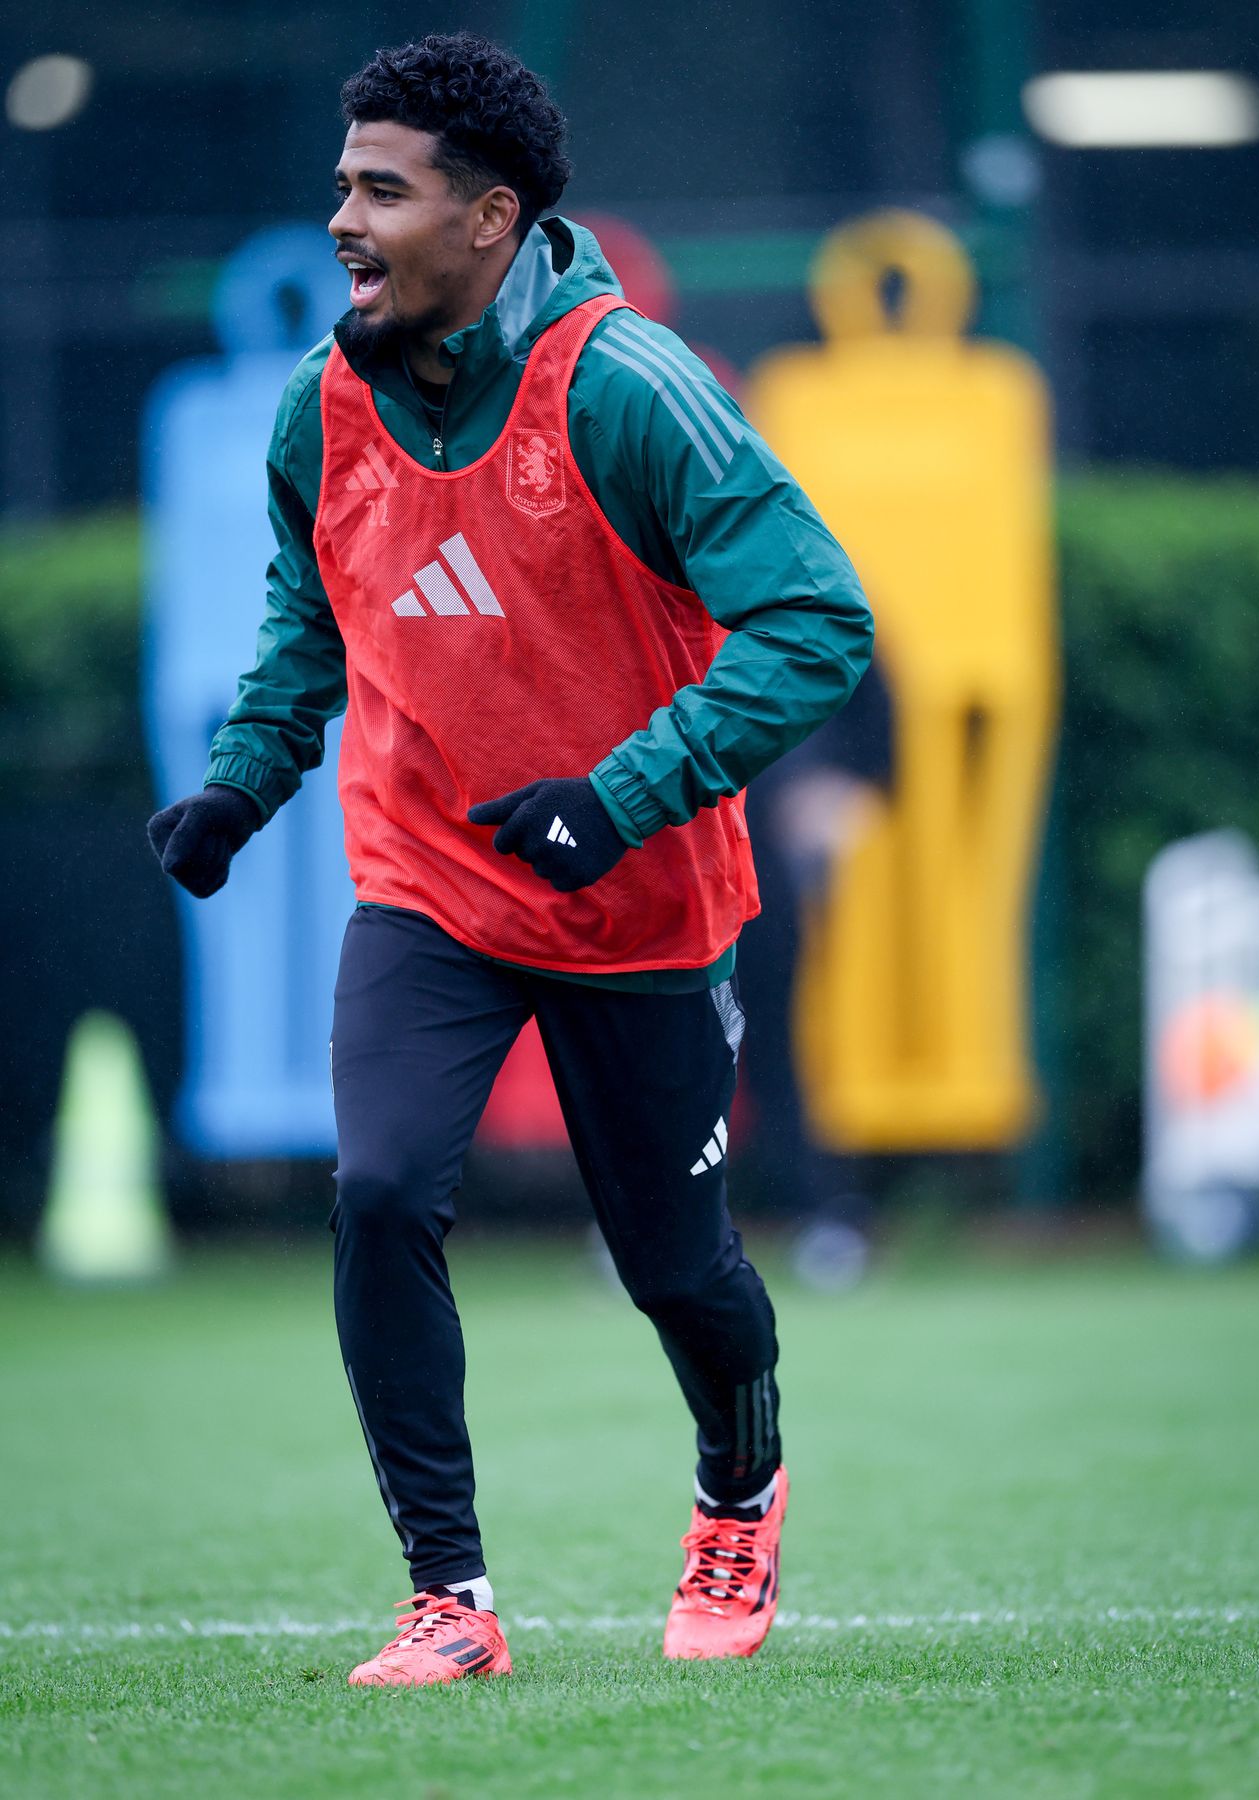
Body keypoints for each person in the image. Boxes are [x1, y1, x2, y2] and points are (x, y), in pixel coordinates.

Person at [147, 32, 872, 1686]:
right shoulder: (317, 402)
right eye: (340, 181)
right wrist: (243, 784)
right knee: (385, 1188)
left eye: (378, 190)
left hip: (637, 901)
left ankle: (736, 1496)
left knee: (675, 1269)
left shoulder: (630, 386)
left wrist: (618, 798)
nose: (342, 217)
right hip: (426, 888)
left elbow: (816, 621)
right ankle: (446, 1592)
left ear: (488, 220)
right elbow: (305, 623)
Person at [738, 655, 895, 1289]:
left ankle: (820, 1217)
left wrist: (838, 786)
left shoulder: (798, 571)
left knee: (777, 1044)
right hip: (669, 845)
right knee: (674, 1041)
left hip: (770, 857)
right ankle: (650, 1220)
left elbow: (875, 714)